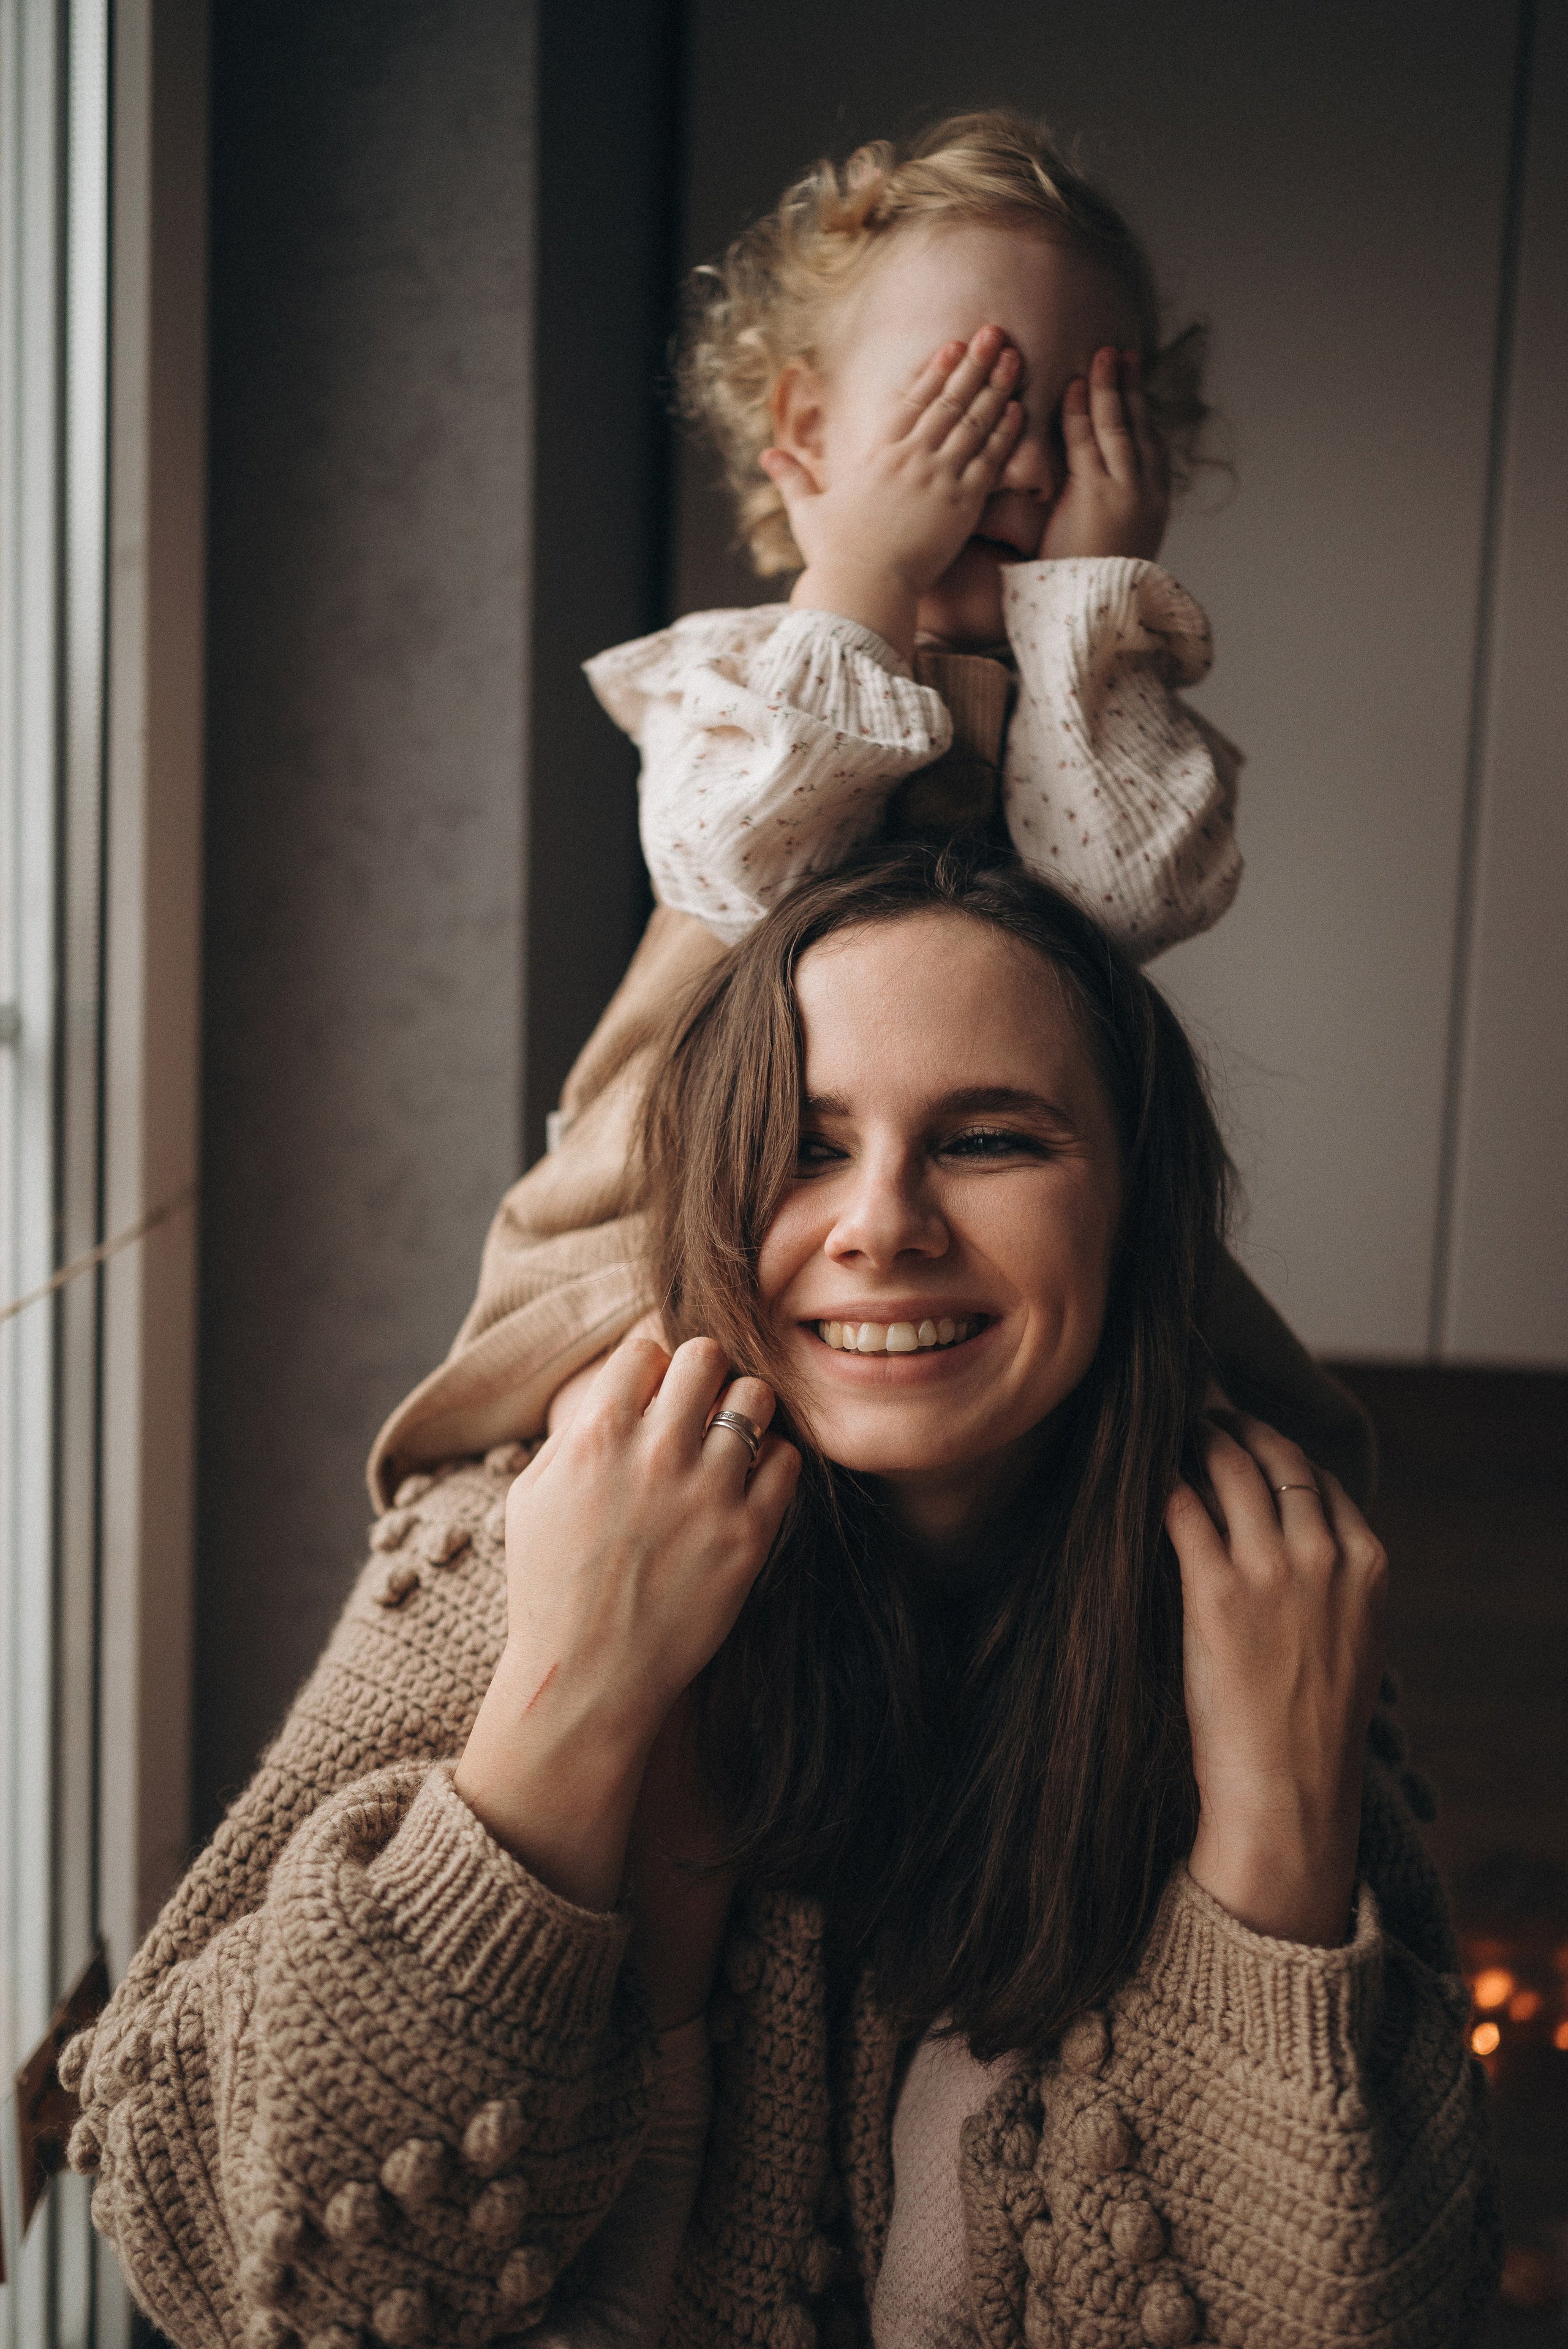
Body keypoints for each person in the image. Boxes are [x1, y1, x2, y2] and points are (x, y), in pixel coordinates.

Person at [64, 849, 1496, 2348]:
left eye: (987, 1138)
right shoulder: (529, 1539)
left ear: (1138, 1213)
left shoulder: (1268, 1612)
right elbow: (243, 2263)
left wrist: (1271, 1831)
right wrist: (575, 1694)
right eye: (805, 1149)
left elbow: (1375, 2310)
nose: (882, 1224)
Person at [364, 110, 1374, 1532]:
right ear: (804, 432)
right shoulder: (746, 675)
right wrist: (860, 580)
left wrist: (1087, 608)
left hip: (997, 1194)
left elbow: (1130, 893)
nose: (1016, 471)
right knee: (624, 1401)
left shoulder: (1087, 702)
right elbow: (744, 857)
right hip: (694, 1178)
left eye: (1077, 422)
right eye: (963, 410)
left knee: (1244, 1428)